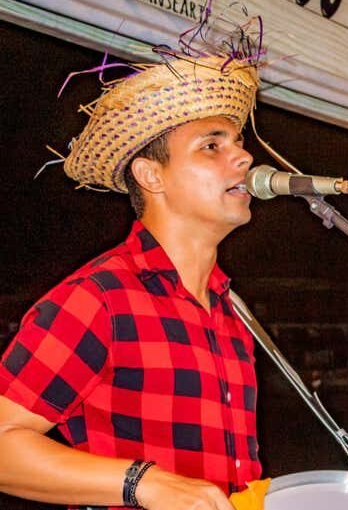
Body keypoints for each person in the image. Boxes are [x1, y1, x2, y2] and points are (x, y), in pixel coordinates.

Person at [0, 52, 262, 510]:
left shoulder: (229, 310)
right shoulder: (99, 298)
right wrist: (145, 482)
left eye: (237, 143)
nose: (243, 156)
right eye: (211, 145)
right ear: (150, 175)